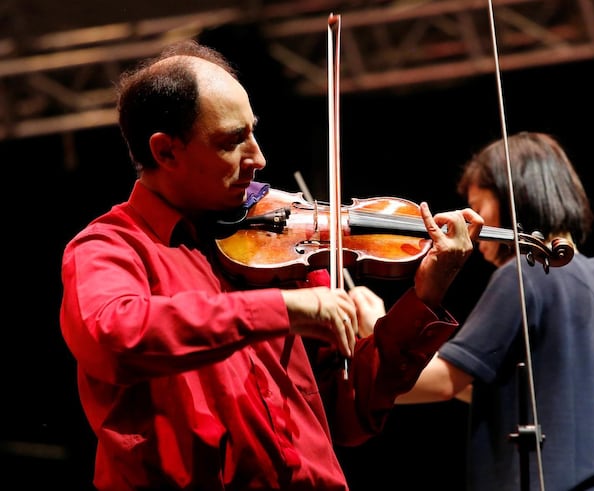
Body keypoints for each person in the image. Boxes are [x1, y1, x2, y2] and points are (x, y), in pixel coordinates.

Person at [59, 39, 483, 491]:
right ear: (166, 152)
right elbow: (115, 335)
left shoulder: (281, 249)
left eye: (252, 131)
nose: (258, 158)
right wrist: (280, 310)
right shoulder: (110, 247)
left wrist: (426, 295)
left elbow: (351, 410)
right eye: (231, 141)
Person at [387, 131, 594, 491]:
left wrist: (375, 345)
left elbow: (444, 382)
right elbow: (506, 389)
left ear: (517, 198)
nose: (474, 230)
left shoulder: (524, 273)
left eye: (479, 208)